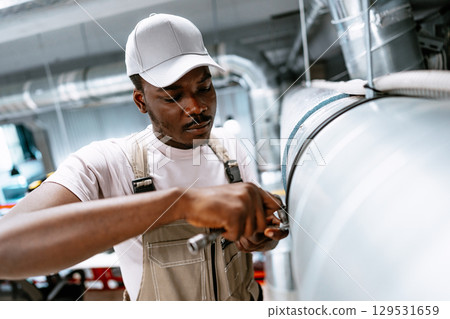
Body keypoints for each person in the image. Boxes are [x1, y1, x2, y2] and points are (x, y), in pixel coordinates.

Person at [0, 13, 288, 300]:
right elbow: (5, 249)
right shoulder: (105, 163)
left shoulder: (230, 149)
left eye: (204, 87)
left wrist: (259, 239)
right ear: (141, 101)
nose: (197, 107)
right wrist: (181, 204)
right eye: (173, 97)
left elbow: (258, 239)